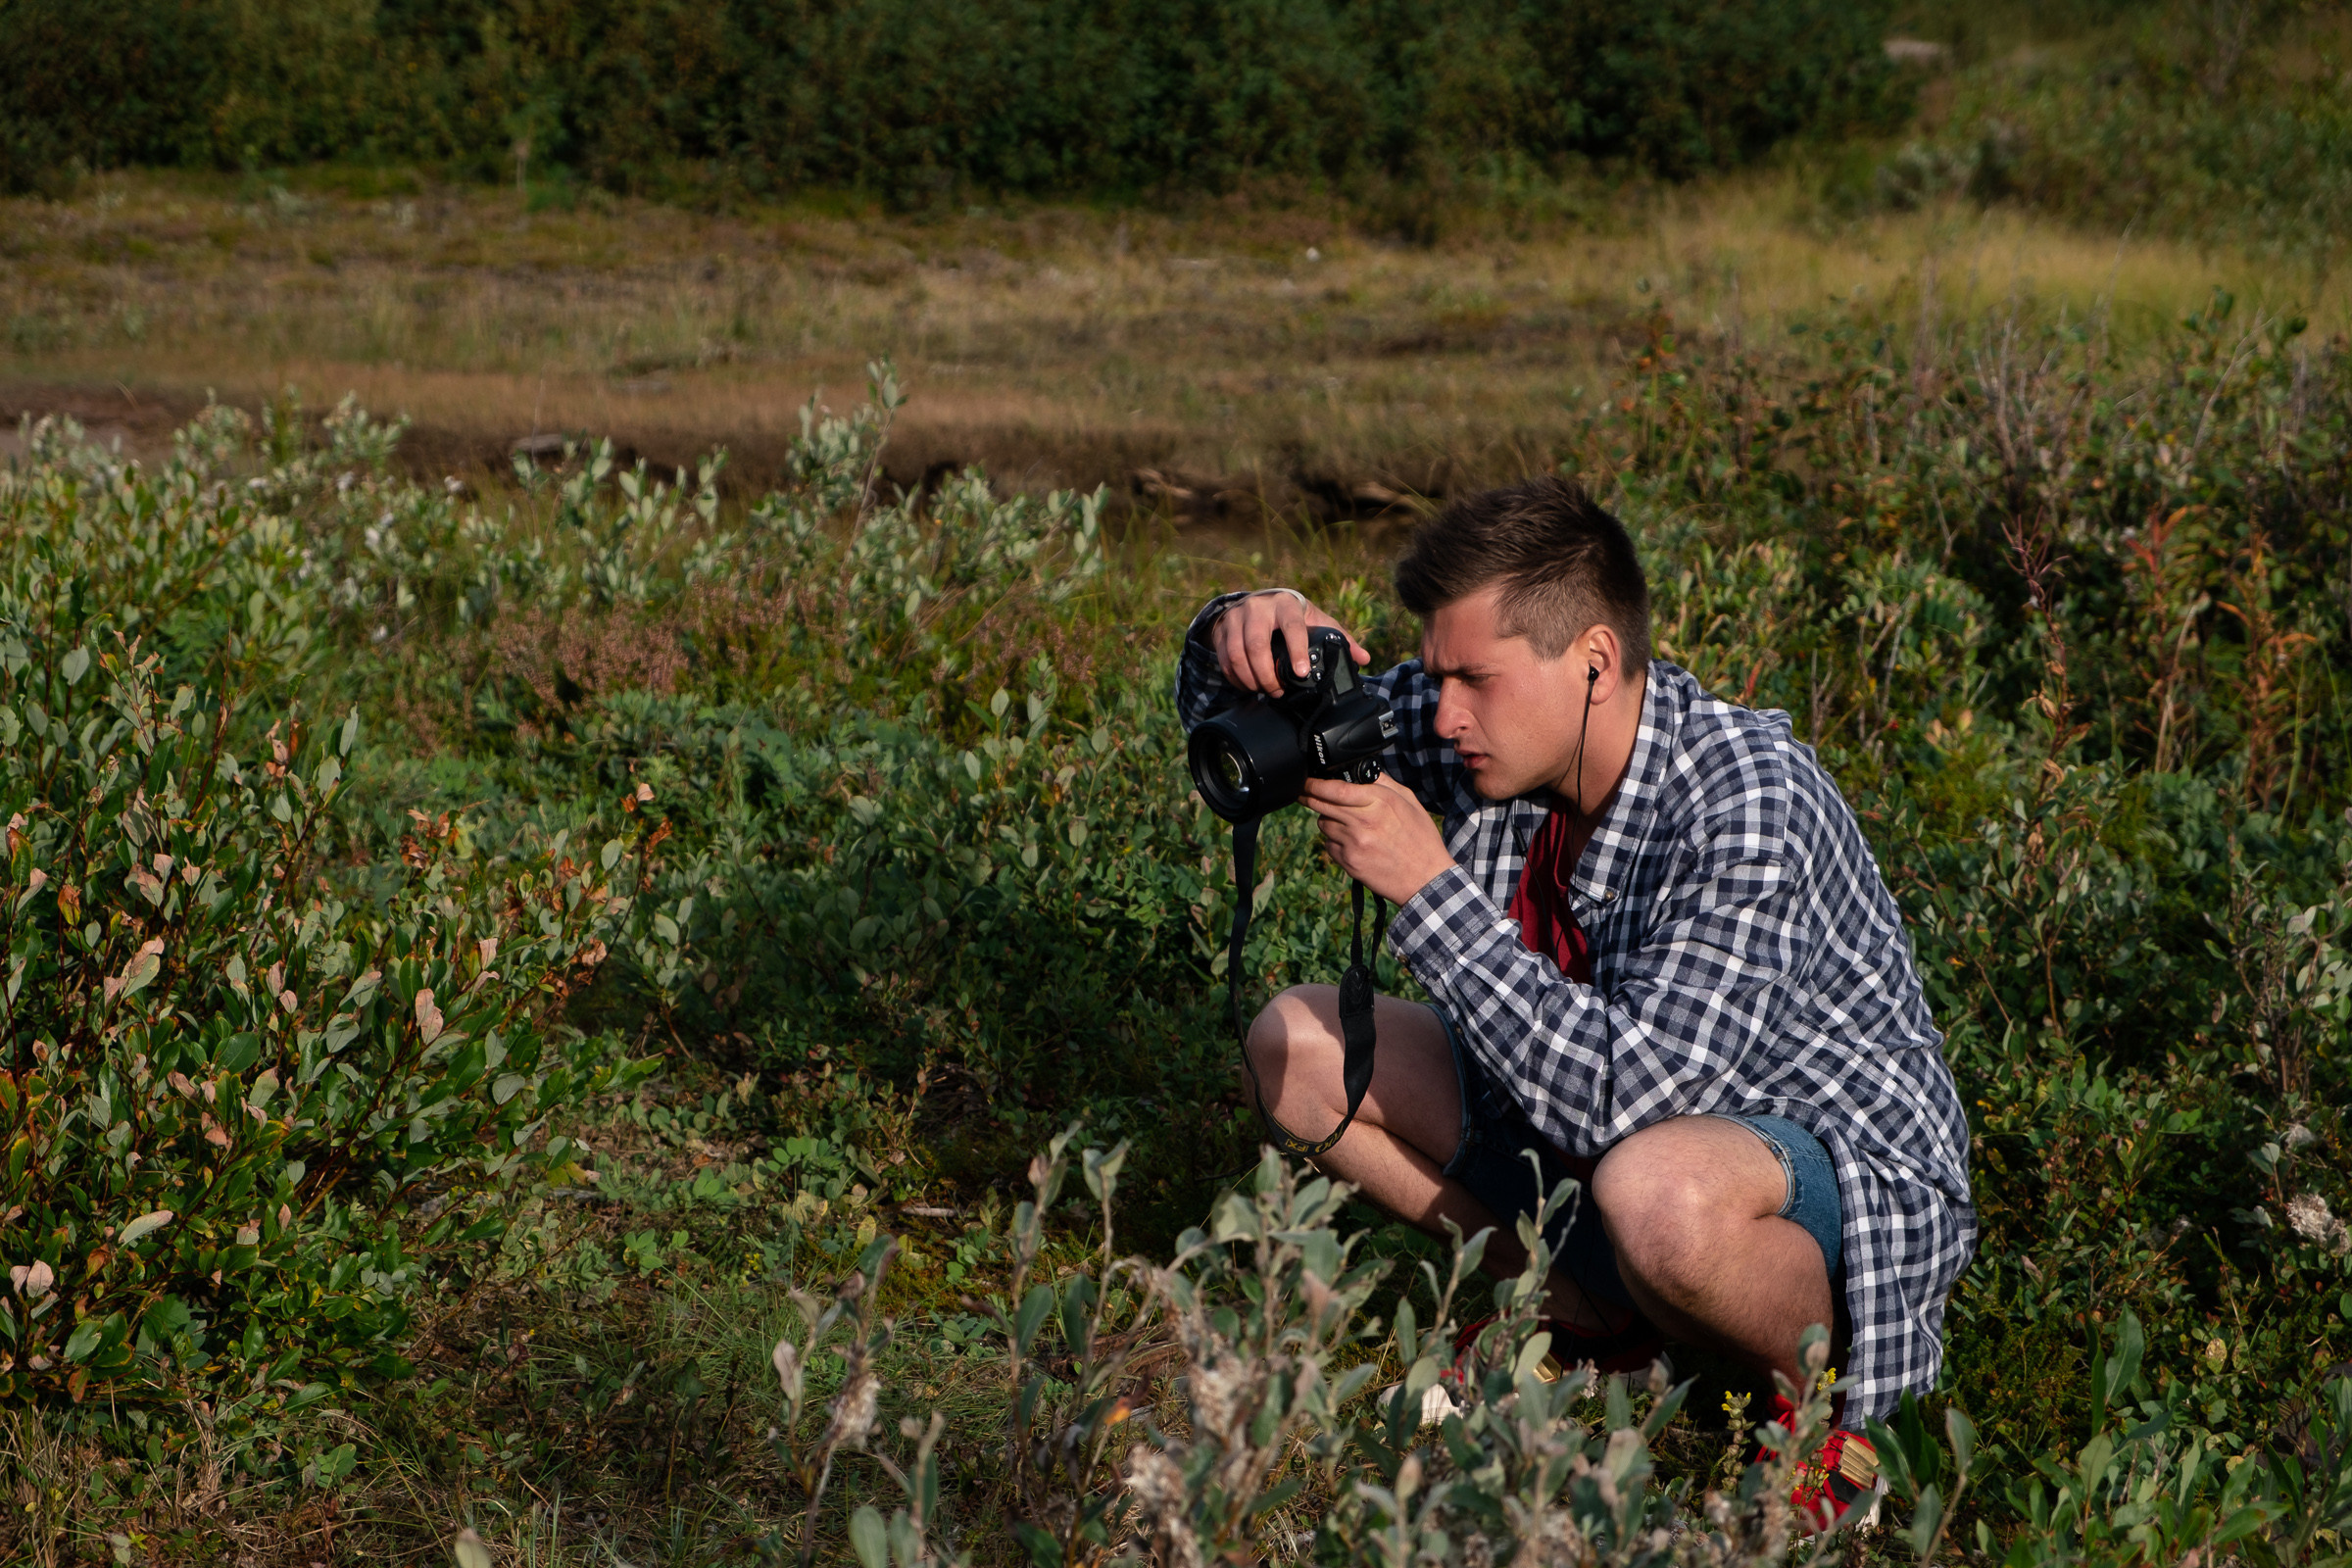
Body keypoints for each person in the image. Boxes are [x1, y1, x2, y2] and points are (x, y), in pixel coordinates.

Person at [1174, 477, 1975, 1528]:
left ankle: (1824, 1413)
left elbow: (1619, 1101)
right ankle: (1594, 1319)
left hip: (1816, 1175)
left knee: (1656, 1194)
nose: (1442, 709)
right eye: (1433, 670)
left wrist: (1427, 891)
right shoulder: (1484, 729)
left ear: (1594, 659)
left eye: (1474, 679)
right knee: (1294, 1050)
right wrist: (1240, 627)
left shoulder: (1748, 798)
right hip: (1599, 1135)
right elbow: (1227, 726)